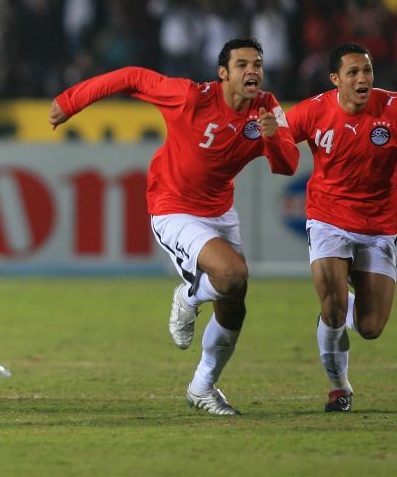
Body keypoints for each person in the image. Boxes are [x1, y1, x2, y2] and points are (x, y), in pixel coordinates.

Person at [49, 38, 298, 415]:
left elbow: (288, 165)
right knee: (231, 273)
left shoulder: (268, 108)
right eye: (243, 64)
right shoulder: (189, 97)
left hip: (220, 211)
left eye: (258, 64)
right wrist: (70, 102)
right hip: (173, 207)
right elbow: (132, 77)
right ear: (223, 73)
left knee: (234, 306)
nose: (253, 71)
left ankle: (202, 388)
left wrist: (273, 138)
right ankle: (189, 297)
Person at [285, 43, 397, 413]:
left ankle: (340, 300)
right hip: (328, 219)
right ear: (336, 80)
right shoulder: (314, 111)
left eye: (367, 70)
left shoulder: (393, 109)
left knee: (370, 327)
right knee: (332, 309)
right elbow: (277, 143)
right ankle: (339, 387)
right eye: (353, 72)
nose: (363, 78)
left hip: (381, 226)